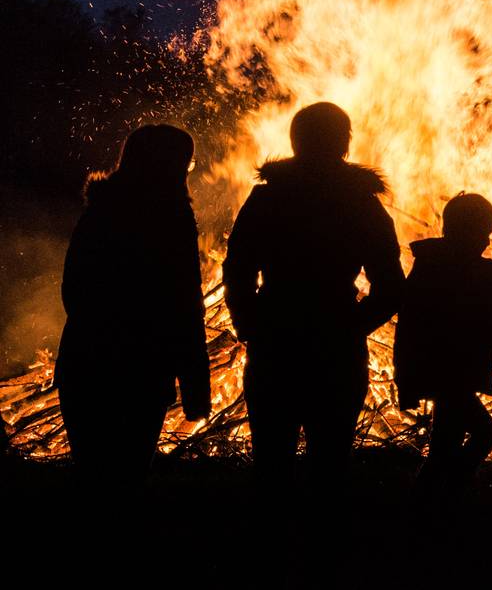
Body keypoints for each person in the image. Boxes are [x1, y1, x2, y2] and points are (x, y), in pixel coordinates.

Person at [222, 102, 404, 494]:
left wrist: (251, 322)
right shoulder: (362, 205)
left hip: (276, 344)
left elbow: (237, 270)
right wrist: (350, 327)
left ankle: (273, 545)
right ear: (345, 143)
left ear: (295, 140)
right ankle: (323, 545)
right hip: (334, 351)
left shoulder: (267, 200)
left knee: (272, 465)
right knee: (330, 464)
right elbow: (390, 287)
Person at [55, 124, 212, 489]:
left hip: (85, 368)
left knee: (92, 479)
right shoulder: (172, 218)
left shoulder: (98, 212)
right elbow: (184, 306)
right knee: (127, 480)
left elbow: (73, 291)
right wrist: (195, 390)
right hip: (142, 373)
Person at [394, 192, 492, 501]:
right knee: (483, 433)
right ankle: (445, 498)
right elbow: (475, 324)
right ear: (460, 230)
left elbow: (482, 324)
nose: (487, 241)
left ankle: (432, 505)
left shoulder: (436, 266)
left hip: (449, 375)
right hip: (449, 375)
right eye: (482, 232)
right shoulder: (450, 269)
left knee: (443, 448)